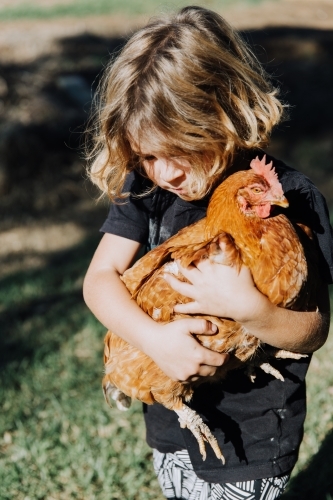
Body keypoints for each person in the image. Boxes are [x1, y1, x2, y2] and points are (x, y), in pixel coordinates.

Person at [83, 6, 332, 500]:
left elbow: (314, 331)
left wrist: (251, 310)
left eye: (179, 148)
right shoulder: (147, 190)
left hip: (252, 434)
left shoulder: (289, 198)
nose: (166, 173)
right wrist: (154, 340)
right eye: (148, 155)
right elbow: (100, 278)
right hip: (172, 418)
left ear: (223, 115)